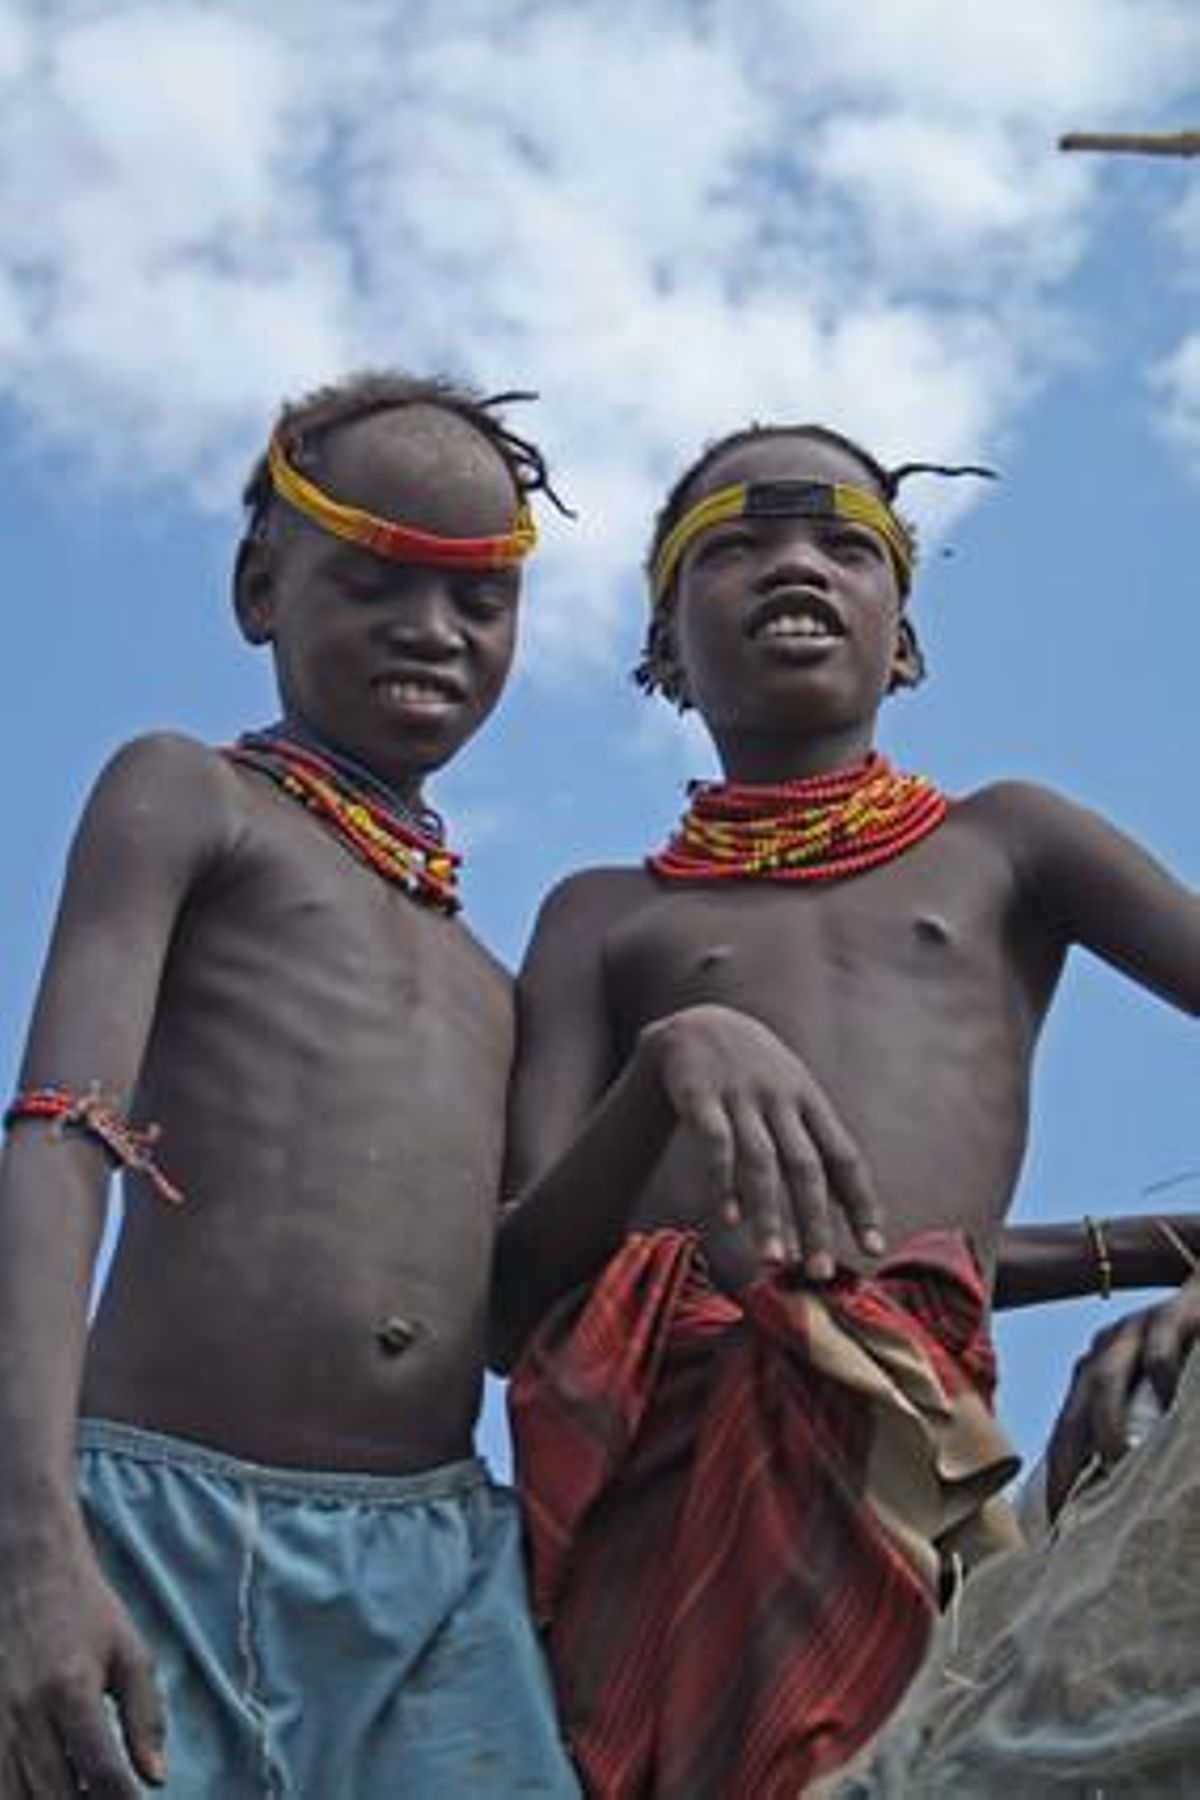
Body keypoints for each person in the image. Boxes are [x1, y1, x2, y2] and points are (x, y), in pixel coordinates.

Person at [490, 422, 1199, 1798]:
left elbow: (898, 1274)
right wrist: (669, 1069)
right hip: (663, 1509)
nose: (792, 563)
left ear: (907, 645)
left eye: (843, 542)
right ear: (663, 654)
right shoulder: (603, 918)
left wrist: (1186, 1263)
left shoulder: (1007, 845)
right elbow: (509, 1304)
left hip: (908, 1466)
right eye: (735, 545)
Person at [0, 374, 579, 1796]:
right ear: (263, 586)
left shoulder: (490, 983)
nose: (433, 630)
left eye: (478, 600)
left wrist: (688, 1067)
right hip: (153, 1523)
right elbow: (61, 1137)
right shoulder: (188, 798)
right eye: (377, 581)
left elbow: (511, 1318)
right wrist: (29, 1541)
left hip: (438, 1573)